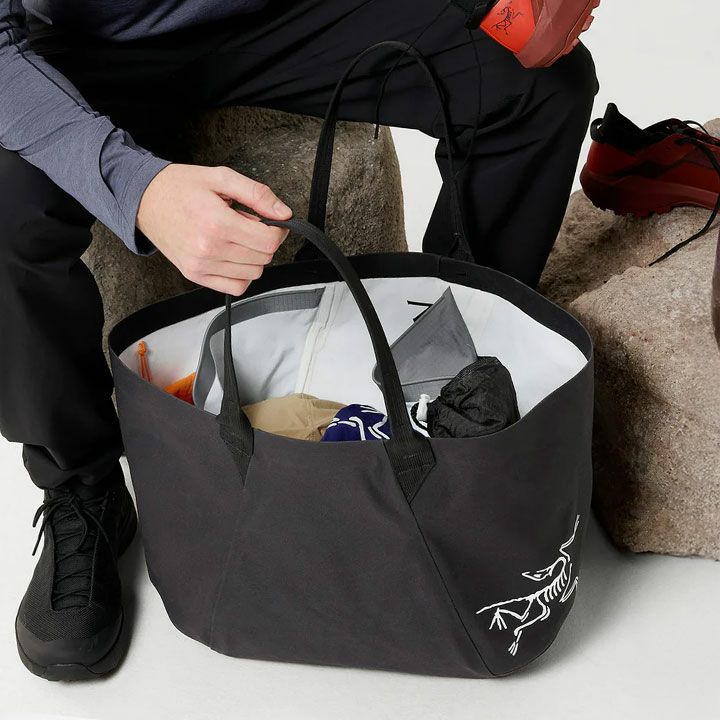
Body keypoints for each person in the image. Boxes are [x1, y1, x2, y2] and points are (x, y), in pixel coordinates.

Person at [0, 0, 598, 680]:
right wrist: (136, 187)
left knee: (539, 89)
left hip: (289, 12)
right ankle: (82, 488)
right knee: (8, 204)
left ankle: (446, 405)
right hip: (94, 46)